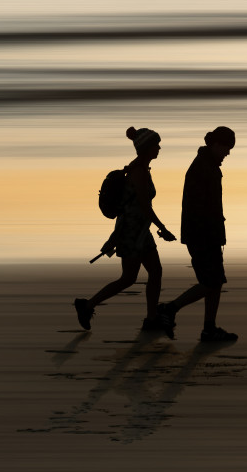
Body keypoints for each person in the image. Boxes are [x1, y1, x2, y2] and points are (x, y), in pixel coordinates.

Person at [74, 127, 176, 331]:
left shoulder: (141, 169)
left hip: (140, 231)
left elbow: (143, 207)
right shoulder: (138, 172)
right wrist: (163, 228)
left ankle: (151, 318)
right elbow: (145, 206)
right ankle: (86, 305)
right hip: (130, 232)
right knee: (129, 278)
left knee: (155, 272)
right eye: (156, 145)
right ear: (147, 148)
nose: (159, 148)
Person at [157, 126, 237, 342]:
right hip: (202, 235)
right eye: (226, 148)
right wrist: (210, 234)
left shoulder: (208, 165)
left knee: (215, 281)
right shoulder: (202, 167)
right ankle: (170, 308)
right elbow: (198, 207)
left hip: (207, 234)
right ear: (215, 145)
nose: (228, 153)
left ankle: (209, 328)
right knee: (211, 281)